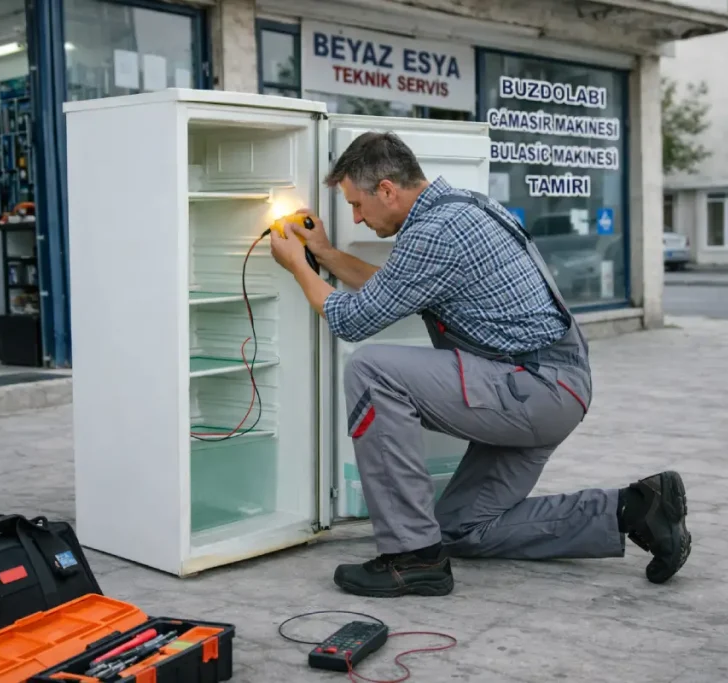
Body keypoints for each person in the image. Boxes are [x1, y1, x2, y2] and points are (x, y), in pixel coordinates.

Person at [268, 131, 691, 598]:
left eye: (356, 204)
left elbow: (351, 319)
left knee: (372, 371)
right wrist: (325, 254)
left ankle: (412, 557)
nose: (355, 217)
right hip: (550, 386)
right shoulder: (464, 208)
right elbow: (391, 290)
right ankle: (636, 509)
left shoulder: (436, 232)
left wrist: (297, 265)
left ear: (386, 190)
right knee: (461, 527)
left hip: (534, 388)